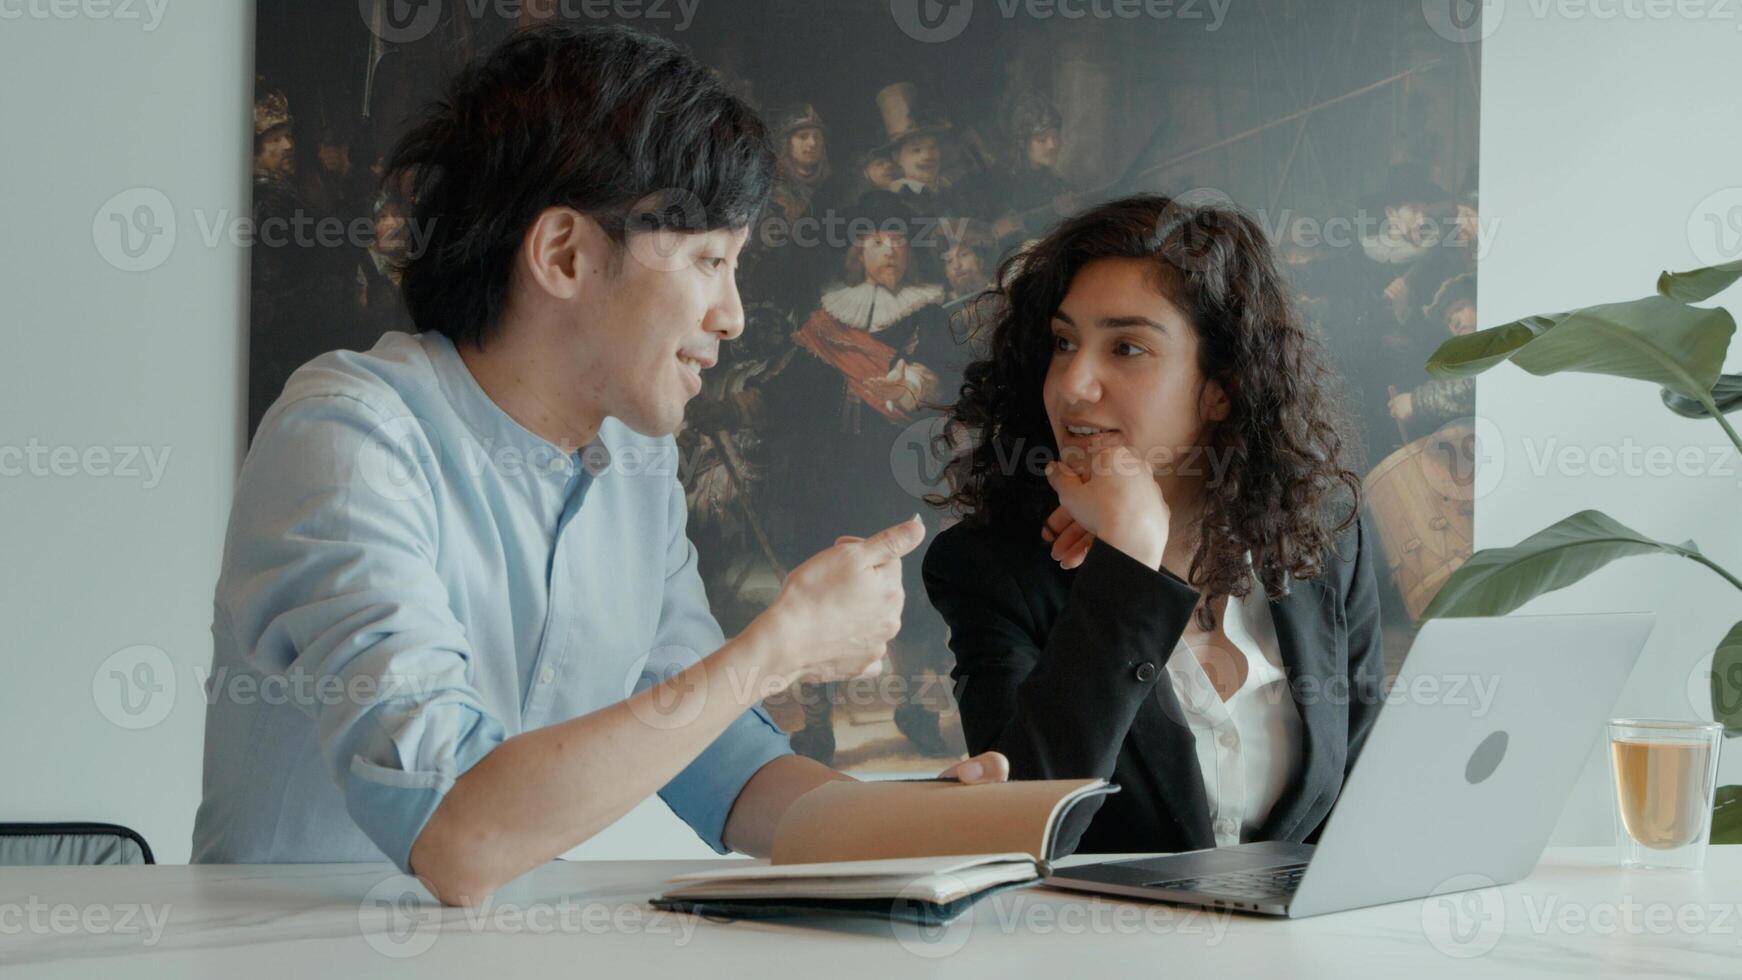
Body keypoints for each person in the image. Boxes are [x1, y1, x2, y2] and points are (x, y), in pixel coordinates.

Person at [194, 25, 1004, 908]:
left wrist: (924, 827)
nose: (732, 315)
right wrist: (781, 646)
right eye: (707, 261)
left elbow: (720, 759)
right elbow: (458, 836)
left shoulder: (634, 463)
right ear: (565, 255)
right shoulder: (350, 436)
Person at [922, 194, 1386, 855]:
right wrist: (1128, 567)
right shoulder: (990, 569)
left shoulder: (1329, 536)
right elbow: (1022, 834)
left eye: (1128, 348)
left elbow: (1360, 809)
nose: (1074, 383)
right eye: (1063, 342)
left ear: (1220, 386)